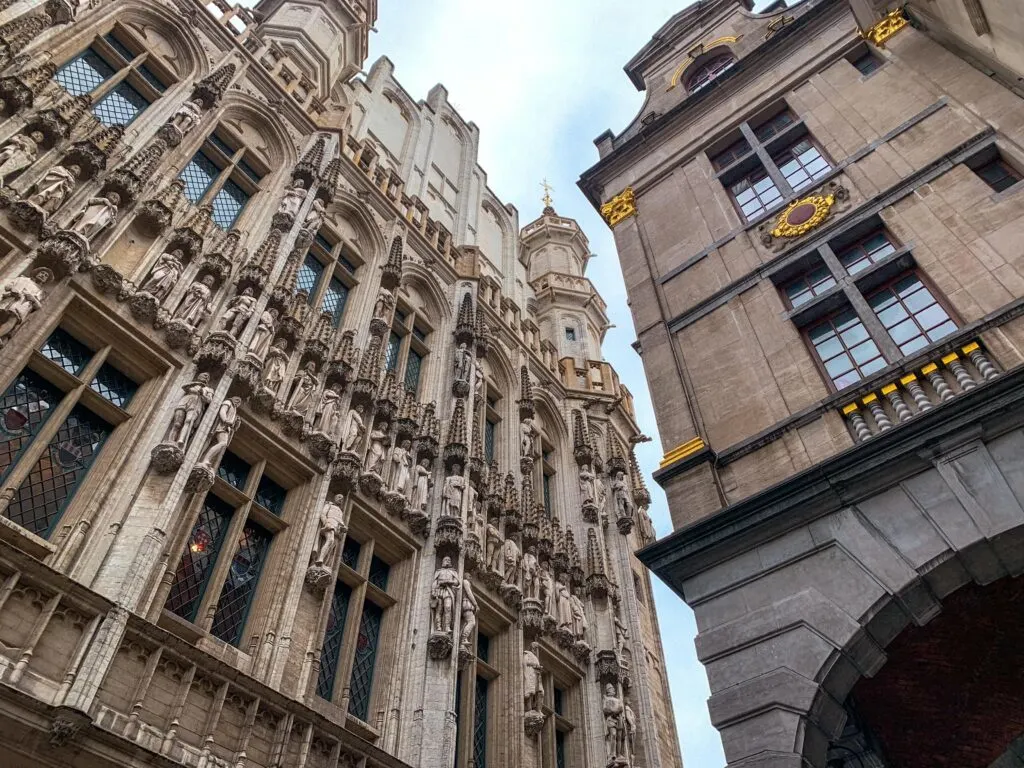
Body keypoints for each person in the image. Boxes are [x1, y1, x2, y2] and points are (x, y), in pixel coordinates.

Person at [0, 268, 50, 345]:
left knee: (12, 320)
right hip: (9, 301)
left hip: (22, 307)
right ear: (36, 273)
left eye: (46, 276)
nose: (43, 275)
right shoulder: (23, 279)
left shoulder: (41, 292)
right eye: (42, 273)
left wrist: (32, 298)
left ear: (45, 280)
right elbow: (8, 286)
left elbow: (38, 306)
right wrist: (13, 289)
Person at [314, 494, 348, 565]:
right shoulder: (329, 505)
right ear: (335, 498)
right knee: (330, 540)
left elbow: (340, 521)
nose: (340, 499)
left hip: (337, 529)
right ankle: (320, 558)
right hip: (329, 524)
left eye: (342, 499)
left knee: (332, 547)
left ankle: (324, 562)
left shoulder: (340, 511)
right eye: (339, 497)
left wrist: (344, 527)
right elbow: (323, 514)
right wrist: (326, 523)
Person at [430, 556, 459, 634]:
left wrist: (448, 582)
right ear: (442, 561)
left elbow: (456, 582)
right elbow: (435, 582)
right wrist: (433, 591)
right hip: (439, 591)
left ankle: (447, 627)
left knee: (448, 607)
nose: (448, 561)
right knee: (439, 609)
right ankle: (438, 627)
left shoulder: (453, 572)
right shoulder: (438, 571)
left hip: (448, 591)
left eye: (449, 560)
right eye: (446, 560)